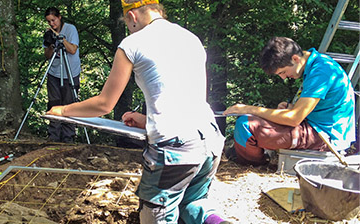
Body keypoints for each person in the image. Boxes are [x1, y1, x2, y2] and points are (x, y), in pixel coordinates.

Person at [47, 0, 228, 223]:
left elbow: (104, 104)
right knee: (193, 203)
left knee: (157, 216)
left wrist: (64, 110)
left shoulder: (132, 44)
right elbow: (184, 99)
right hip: (209, 139)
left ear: (132, 16)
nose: (127, 26)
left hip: (175, 148)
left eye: (126, 22)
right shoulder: (190, 38)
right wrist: (146, 120)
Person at [224, 37, 356, 165]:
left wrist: (247, 108)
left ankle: (255, 164)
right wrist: (293, 107)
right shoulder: (317, 63)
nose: (283, 77)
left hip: (325, 136)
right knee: (253, 121)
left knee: (246, 124)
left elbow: (294, 119)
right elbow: (318, 108)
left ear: (295, 58)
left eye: (283, 72)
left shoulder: (321, 71)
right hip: (318, 127)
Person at [43, 7, 81, 143]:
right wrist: (51, 44)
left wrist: (60, 38)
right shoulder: (48, 34)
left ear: (59, 17)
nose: (52, 24)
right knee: (54, 104)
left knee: (69, 105)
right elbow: (47, 55)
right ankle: (53, 137)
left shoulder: (70, 29)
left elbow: (72, 50)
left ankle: (68, 138)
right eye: (49, 22)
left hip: (70, 73)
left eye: (53, 20)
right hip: (54, 74)